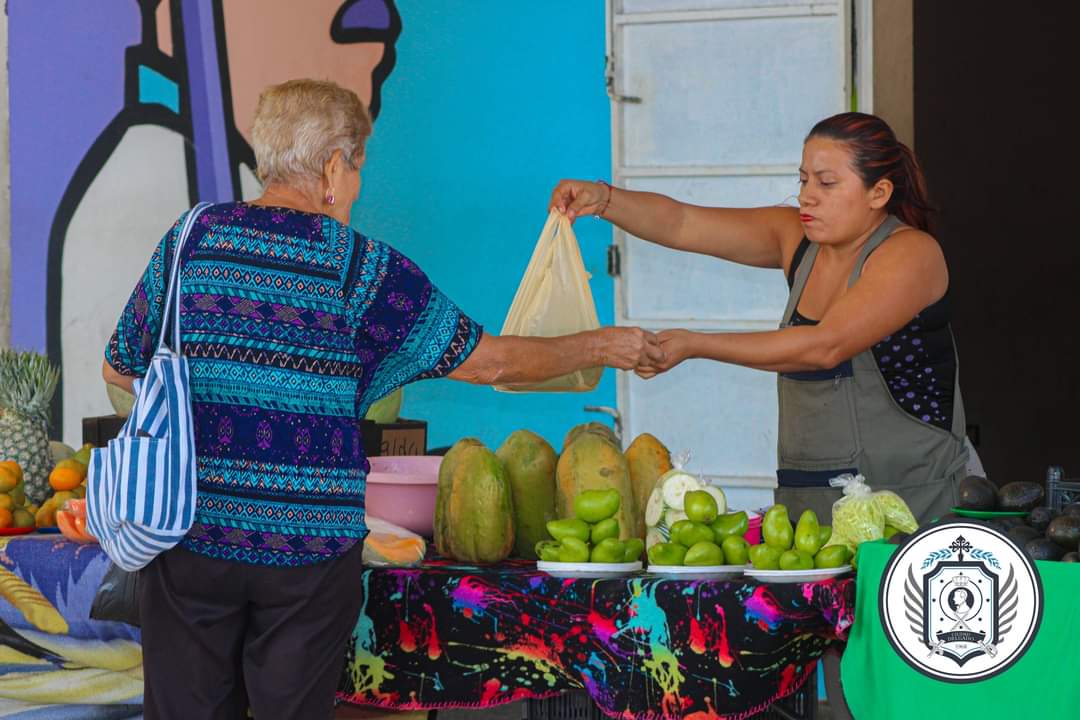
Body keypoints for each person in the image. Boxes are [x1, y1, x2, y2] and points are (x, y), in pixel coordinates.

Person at [102, 79, 663, 720]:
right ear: (335, 166)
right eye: (359, 166)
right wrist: (602, 346)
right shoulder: (363, 269)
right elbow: (494, 363)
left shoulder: (190, 240)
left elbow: (119, 368)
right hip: (307, 554)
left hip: (188, 533)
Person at [550, 112, 970, 526]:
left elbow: (825, 346)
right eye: (803, 179)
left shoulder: (911, 254)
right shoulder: (796, 241)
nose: (807, 196)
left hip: (914, 508)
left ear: (878, 193)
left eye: (827, 183)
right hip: (811, 505)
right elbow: (682, 223)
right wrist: (603, 199)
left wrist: (697, 344)